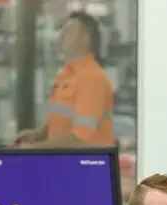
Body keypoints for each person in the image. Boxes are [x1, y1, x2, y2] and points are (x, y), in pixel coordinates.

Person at [15, 11, 115, 148]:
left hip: (87, 165)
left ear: (85, 38)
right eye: (62, 30)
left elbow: (80, 139)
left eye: (68, 31)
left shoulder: (92, 78)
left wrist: (35, 149)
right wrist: (39, 134)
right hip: (65, 161)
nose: (61, 35)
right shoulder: (66, 75)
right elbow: (60, 121)